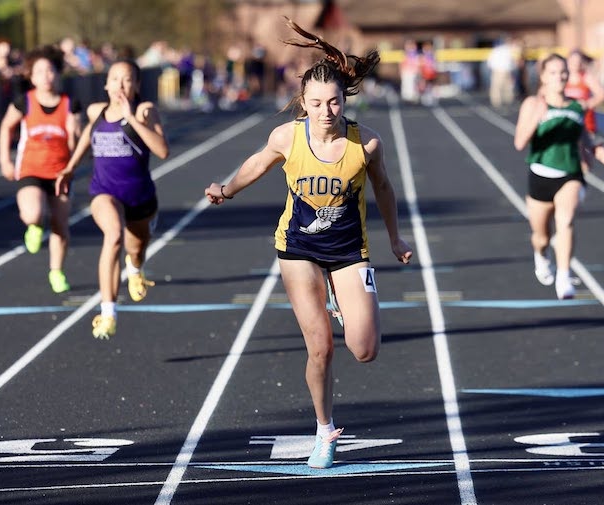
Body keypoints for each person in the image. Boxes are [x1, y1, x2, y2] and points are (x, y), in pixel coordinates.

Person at [205, 19, 413, 469]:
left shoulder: (365, 144)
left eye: (334, 101)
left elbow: (384, 189)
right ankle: (324, 430)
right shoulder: (288, 136)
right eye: (316, 103)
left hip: (349, 250)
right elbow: (257, 163)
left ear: (345, 100)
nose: (326, 111)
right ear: (303, 101)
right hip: (298, 247)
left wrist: (395, 238)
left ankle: (340, 295)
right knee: (320, 347)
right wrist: (227, 189)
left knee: (365, 350)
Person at [56, 59, 169, 339]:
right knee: (114, 235)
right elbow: (87, 136)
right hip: (104, 192)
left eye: (127, 79)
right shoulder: (97, 111)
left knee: (136, 250)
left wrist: (132, 118)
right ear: (106, 84)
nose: (120, 85)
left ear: (137, 85)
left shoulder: (145, 111)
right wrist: (70, 168)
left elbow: (162, 151)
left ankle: (136, 269)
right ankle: (108, 313)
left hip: (140, 198)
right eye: (115, 79)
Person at [514, 53, 604, 300]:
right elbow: (519, 143)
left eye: (563, 72)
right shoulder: (533, 104)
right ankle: (541, 256)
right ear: (543, 76)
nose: (560, 77)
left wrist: (595, 148)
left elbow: (583, 135)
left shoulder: (577, 105)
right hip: (540, 175)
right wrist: (537, 118)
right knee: (541, 237)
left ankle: (564, 276)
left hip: (570, 174)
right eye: (554, 72)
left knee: (565, 220)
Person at [0, 44, 81, 293]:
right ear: (31, 77)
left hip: (60, 172)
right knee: (33, 212)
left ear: (58, 73)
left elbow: (77, 145)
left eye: (50, 70)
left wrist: (74, 132)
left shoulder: (70, 104)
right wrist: (6, 160)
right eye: (40, 72)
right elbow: (6, 127)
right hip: (31, 169)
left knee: (60, 225)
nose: (46, 76)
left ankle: (56, 271)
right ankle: (33, 225)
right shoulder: (24, 101)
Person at [564, 49, 604, 143]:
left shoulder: (586, 77)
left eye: (578, 61)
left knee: (586, 149)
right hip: (567, 123)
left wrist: (587, 104)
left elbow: (602, 95)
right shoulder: (562, 78)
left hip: (586, 124)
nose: (575, 64)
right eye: (573, 61)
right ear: (568, 61)